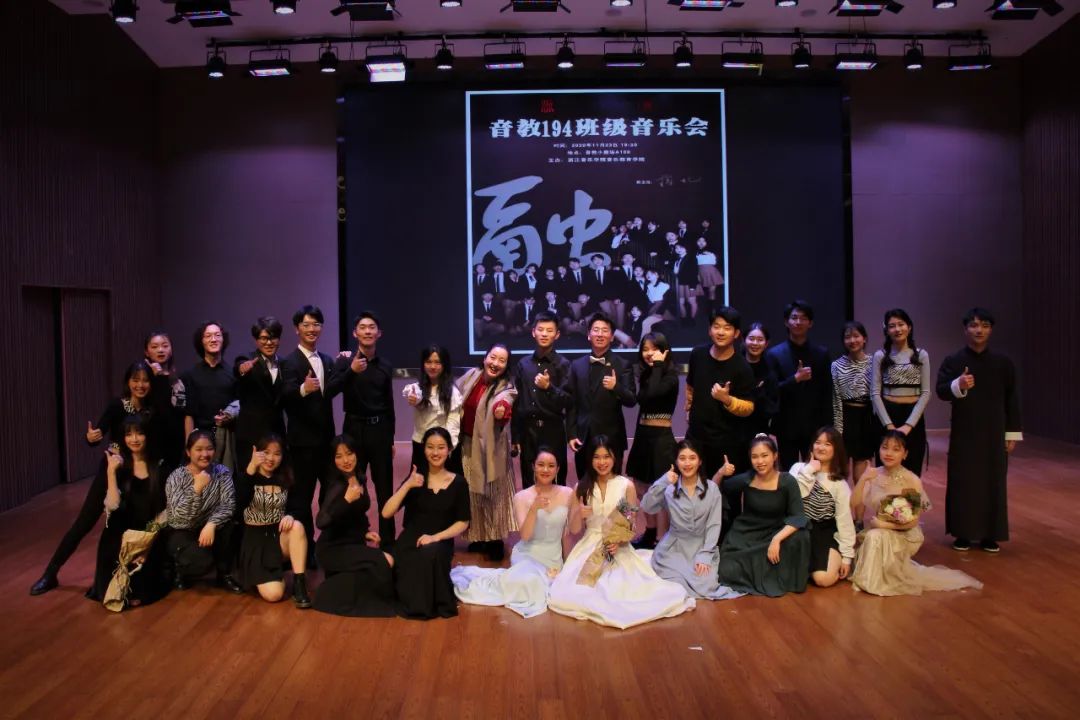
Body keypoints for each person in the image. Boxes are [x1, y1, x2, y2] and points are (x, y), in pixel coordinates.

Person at [30, 361, 160, 596]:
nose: (140, 385)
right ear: (128, 382)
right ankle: (50, 573)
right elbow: (97, 435)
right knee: (84, 522)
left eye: (145, 380)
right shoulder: (117, 405)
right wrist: (91, 437)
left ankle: (120, 576)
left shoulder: (153, 410)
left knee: (130, 523)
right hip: (112, 470)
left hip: (137, 472)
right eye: (135, 380)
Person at [548, 436, 694, 629]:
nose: (602, 462)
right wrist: (578, 513)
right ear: (590, 459)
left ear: (614, 458)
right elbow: (575, 530)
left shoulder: (626, 486)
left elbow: (630, 527)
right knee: (578, 591)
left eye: (606, 456)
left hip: (617, 546)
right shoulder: (581, 488)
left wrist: (619, 542)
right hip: (589, 546)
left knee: (622, 588)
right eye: (597, 457)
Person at [850, 431, 982, 596]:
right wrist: (863, 478)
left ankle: (874, 582)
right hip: (879, 527)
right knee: (875, 536)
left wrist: (884, 525)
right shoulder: (873, 474)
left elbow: (913, 521)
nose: (889, 453)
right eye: (885, 448)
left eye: (896, 449)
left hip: (903, 533)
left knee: (874, 536)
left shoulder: (911, 480)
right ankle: (873, 578)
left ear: (905, 454)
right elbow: (853, 503)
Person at [935, 307, 1023, 553]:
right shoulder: (953, 360)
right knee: (963, 481)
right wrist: (958, 384)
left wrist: (1012, 433)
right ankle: (962, 533)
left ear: (991, 329)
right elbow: (941, 390)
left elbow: (1012, 399)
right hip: (964, 431)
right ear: (965, 329)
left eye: (984, 325)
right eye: (973, 325)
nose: (979, 330)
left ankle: (990, 534)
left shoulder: (1003, 363)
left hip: (994, 431)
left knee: (993, 481)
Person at [451, 448, 573, 618]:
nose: (546, 470)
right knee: (531, 584)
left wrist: (568, 566)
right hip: (528, 555)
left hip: (553, 558)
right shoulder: (521, 497)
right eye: (541, 465)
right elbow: (525, 536)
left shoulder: (568, 494)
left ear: (558, 469)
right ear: (533, 467)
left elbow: (566, 534)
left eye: (551, 466)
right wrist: (534, 509)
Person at [382, 428, 471, 620]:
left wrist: (435, 537)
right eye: (430, 447)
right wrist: (407, 485)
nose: (435, 452)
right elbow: (386, 512)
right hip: (410, 539)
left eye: (441, 447)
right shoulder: (416, 479)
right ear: (423, 450)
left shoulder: (459, 483)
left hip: (440, 541)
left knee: (429, 554)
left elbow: (463, 522)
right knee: (390, 563)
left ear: (449, 450)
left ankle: (421, 604)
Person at [640, 440, 741, 600]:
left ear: (699, 461)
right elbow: (647, 506)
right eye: (682, 458)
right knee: (673, 586)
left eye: (692, 458)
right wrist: (663, 481)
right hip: (674, 548)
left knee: (706, 585)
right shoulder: (669, 489)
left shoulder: (712, 489)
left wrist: (705, 555)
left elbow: (714, 525)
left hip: (701, 547)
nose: (687, 463)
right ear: (676, 461)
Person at [88, 416, 171, 608]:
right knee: (114, 587)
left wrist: (147, 542)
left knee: (143, 588)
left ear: (148, 435)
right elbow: (112, 506)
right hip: (120, 533)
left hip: (148, 532)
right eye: (129, 434)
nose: (134, 439)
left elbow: (166, 510)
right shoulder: (118, 465)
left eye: (139, 433)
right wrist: (111, 472)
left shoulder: (160, 466)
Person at [716, 434, 810, 597]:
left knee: (802, 536)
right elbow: (715, 489)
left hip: (775, 532)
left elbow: (798, 516)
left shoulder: (787, 481)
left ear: (775, 456)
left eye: (764, 455)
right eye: (755, 457)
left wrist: (776, 539)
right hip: (748, 534)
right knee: (726, 570)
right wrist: (720, 473)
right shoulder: (747, 478)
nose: (760, 461)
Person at [313, 435, 397, 617]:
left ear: (357, 454)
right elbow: (321, 522)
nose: (346, 460)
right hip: (332, 549)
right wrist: (345, 501)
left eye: (349, 453)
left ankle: (339, 588)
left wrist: (365, 533)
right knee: (385, 561)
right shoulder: (336, 486)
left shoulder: (359, 478)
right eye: (339, 456)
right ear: (333, 460)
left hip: (351, 542)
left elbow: (355, 515)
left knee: (377, 566)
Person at [280, 305, 340, 557]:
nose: (311, 329)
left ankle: (328, 547)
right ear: (297, 329)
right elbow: (284, 396)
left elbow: (335, 388)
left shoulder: (326, 360)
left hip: (327, 441)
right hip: (302, 444)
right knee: (302, 499)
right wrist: (303, 389)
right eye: (306, 324)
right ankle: (305, 549)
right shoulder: (289, 362)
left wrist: (346, 364)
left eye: (316, 324)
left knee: (330, 495)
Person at [334, 311, 397, 546]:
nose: (367, 331)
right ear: (355, 333)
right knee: (353, 484)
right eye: (362, 327)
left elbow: (389, 404)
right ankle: (355, 539)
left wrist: (391, 438)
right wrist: (351, 370)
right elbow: (331, 390)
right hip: (353, 429)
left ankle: (388, 543)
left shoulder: (385, 365)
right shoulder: (344, 362)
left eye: (372, 327)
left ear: (379, 333)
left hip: (379, 430)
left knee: (384, 489)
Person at [456, 344, 518, 561]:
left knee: (494, 493)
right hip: (467, 445)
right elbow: (454, 395)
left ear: (506, 366)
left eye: (502, 361)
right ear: (485, 358)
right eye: (493, 357)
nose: (495, 363)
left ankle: (495, 539)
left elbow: (506, 401)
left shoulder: (506, 387)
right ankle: (479, 536)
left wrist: (501, 410)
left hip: (492, 449)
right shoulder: (471, 376)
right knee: (473, 493)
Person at [234, 435, 311, 608]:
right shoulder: (247, 477)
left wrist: (291, 515)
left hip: (277, 539)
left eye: (277, 454)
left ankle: (299, 585)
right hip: (255, 544)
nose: (271, 458)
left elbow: (301, 507)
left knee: (297, 526)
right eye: (266, 452)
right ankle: (264, 576)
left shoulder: (285, 478)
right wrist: (251, 468)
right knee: (274, 595)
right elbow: (237, 507)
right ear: (257, 453)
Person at [685, 307, 755, 480]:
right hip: (696, 438)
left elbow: (749, 407)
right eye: (716, 326)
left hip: (727, 443)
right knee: (693, 488)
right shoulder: (698, 354)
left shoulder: (742, 367)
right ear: (710, 330)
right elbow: (690, 387)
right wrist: (688, 409)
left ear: (736, 333)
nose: (721, 332)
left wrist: (727, 399)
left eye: (727, 328)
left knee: (725, 492)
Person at [566, 312, 637, 482]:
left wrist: (616, 387)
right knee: (585, 487)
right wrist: (571, 433)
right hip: (583, 437)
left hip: (612, 438)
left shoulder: (622, 364)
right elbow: (572, 403)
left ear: (612, 337)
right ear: (588, 335)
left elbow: (631, 400)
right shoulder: (576, 365)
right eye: (595, 330)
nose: (600, 334)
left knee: (613, 487)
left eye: (605, 330)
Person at [164, 430, 237, 591]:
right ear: (188, 452)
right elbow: (178, 517)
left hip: (209, 528)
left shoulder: (222, 472)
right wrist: (196, 488)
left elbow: (229, 504)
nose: (205, 454)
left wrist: (212, 524)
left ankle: (224, 574)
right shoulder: (176, 477)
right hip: (184, 530)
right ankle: (180, 571)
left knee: (232, 527)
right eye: (199, 449)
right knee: (201, 562)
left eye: (209, 448)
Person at [626, 333, 679, 550]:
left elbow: (654, 395)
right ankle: (649, 532)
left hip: (661, 439)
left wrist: (657, 366)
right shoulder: (647, 374)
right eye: (645, 349)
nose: (649, 354)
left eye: (654, 349)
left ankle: (661, 537)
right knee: (641, 487)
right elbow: (642, 400)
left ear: (665, 351)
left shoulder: (670, 376)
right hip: (643, 436)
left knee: (660, 490)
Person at [765, 300, 833, 469]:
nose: (798, 322)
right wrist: (795, 379)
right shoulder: (774, 354)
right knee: (789, 472)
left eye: (803, 318)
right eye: (794, 317)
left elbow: (826, 392)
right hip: (786, 425)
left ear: (810, 323)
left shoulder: (821, 354)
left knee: (816, 470)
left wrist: (827, 427)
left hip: (814, 425)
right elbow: (772, 391)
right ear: (786, 322)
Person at [511, 312, 572, 488]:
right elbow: (517, 402)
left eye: (549, 330)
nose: (544, 334)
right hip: (528, 431)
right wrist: (515, 437)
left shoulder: (563, 364)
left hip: (553, 430)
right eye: (541, 329)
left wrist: (549, 387)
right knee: (529, 482)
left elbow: (568, 401)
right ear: (533, 332)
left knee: (556, 483)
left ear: (557, 334)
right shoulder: (523, 364)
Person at [789, 427, 856, 587]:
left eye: (827, 444)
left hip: (823, 532)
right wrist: (809, 470)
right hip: (796, 528)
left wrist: (847, 558)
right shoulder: (798, 468)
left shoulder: (839, 484)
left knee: (823, 580)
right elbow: (791, 497)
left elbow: (845, 521)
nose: (821, 447)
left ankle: (819, 564)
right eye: (818, 442)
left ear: (836, 449)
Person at [871, 308, 931, 474]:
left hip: (913, 417)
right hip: (888, 415)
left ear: (909, 327)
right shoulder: (880, 355)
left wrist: (908, 425)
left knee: (912, 468)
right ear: (886, 330)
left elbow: (926, 393)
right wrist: (889, 425)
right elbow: (875, 393)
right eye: (892, 326)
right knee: (886, 470)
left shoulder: (921, 355)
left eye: (901, 324)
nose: (897, 329)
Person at [233, 317, 286, 473]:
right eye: (264, 338)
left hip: (276, 436)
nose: (269, 342)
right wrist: (242, 369)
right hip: (251, 436)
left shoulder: (285, 364)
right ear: (256, 340)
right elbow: (239, 368)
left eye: (273, 338)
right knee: (249, 479)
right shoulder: (248, 360)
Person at [402, 345, 463, 476]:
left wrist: (448, 448)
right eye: (428, 362)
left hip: (441, 446)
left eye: (437, 362)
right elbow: (412, 394)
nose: (433, 366)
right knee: (419, 482)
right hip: (420, 443)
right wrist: (413, 399)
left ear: (444, 365)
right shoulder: (417, 388)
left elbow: (453, 422)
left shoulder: (452, 392)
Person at [181, 322, 237, 465]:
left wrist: (229, 417)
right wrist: (189, 446)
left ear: (223, 340)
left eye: (217, 335)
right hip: (200, 441)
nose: (213, 339)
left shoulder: (233, 374)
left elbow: (239, 408)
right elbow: (189, 415)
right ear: (201, 341)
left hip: (226, 440)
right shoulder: (191, 375)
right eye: (208, 336)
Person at [831, 321, 875, 484]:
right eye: (847, 337)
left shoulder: (874, 362)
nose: (852, 340)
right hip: (846, 417)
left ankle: (859, 502)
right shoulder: (836, 365)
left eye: (856, 336)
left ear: (864, 338)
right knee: (841, 473)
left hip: (867, 418)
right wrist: (838, 430)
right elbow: (836, 399)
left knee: (861, 474)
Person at [143, 329, 187, 467]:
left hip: (176, 442)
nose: (160, 350)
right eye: (155, 347)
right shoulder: (143, 380)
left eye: (165, 345)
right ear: (147, 352)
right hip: (150, 441)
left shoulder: (179, 380)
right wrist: (155, 377)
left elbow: (185, 412)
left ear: (171, 349)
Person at [743, 322, 778, 439]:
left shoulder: (770, 372)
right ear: (744, 340)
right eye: (751, 339)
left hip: (759, 432)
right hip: (734, 430)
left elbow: (772, 408)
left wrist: (758, 394)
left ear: (766, 343)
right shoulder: (735, 365)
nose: (755, 343)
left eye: (760, 340)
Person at [695, 237, 724, 314]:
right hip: (700, 273)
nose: (701, 243)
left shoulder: (712, 251)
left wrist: (710, 254)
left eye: (704, 241)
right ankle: (703, 309)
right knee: (702, 292)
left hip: (711, 272)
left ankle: (711, 309)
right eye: (699, 241)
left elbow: (717, 262)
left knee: (712, 291)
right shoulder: (695, 252)